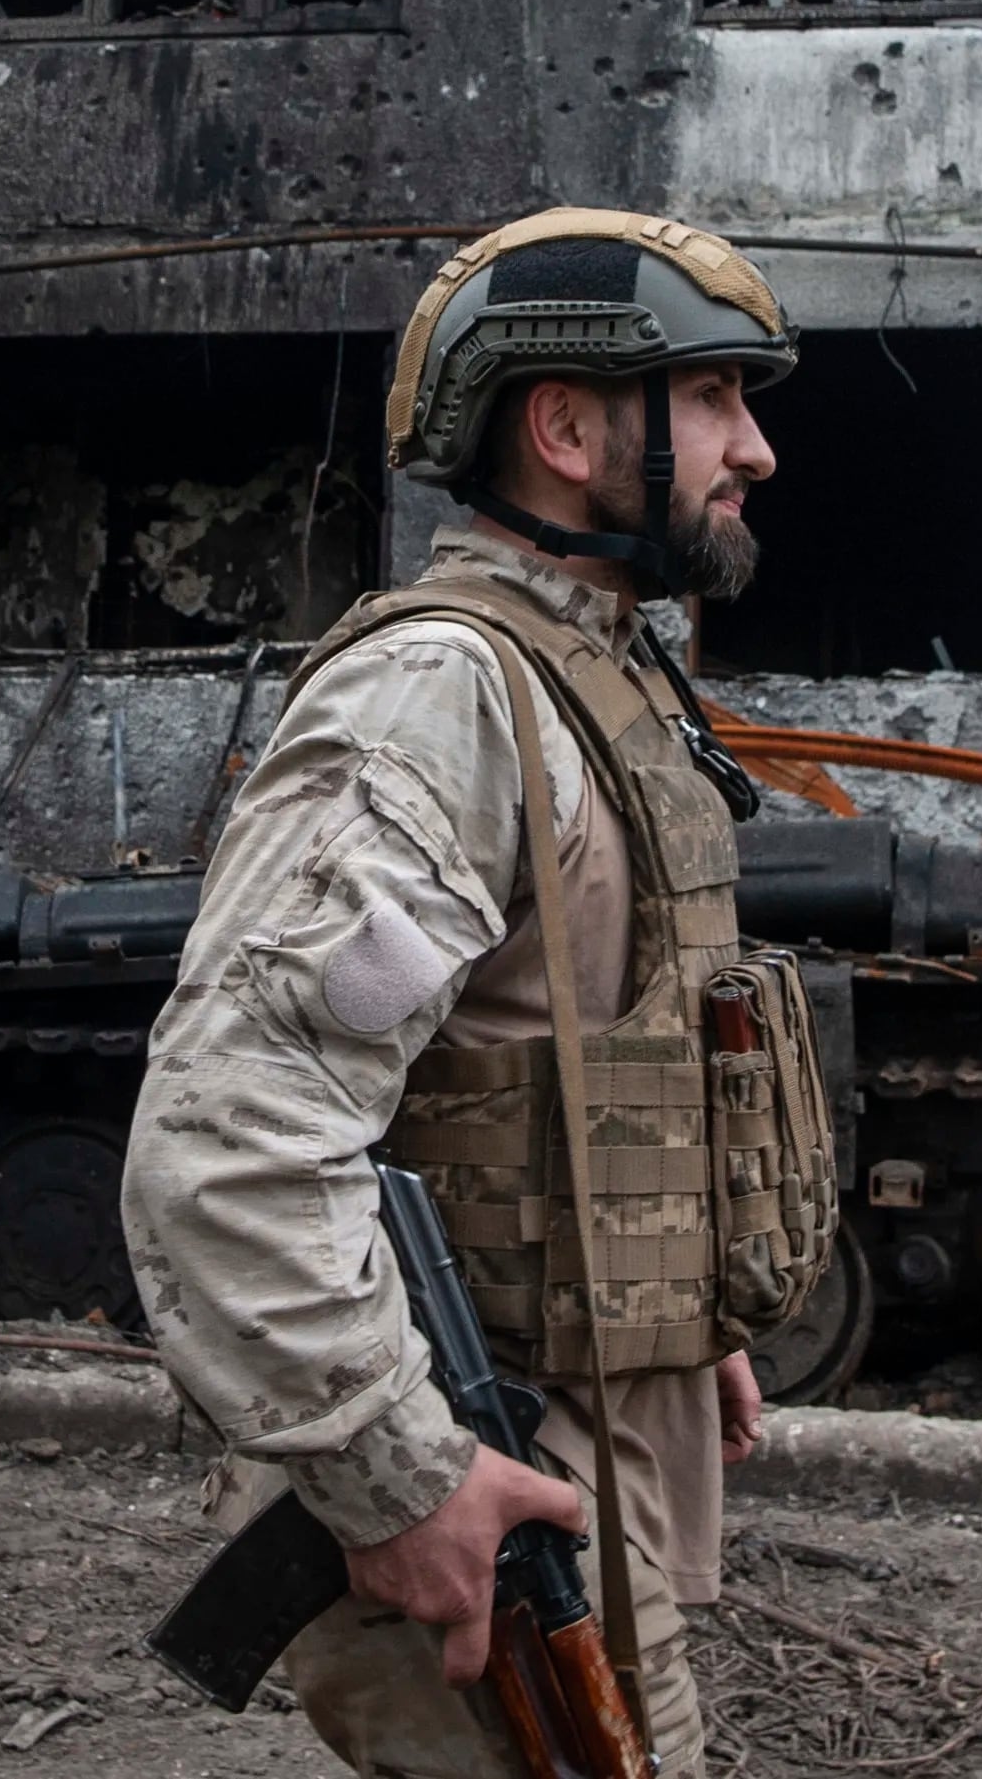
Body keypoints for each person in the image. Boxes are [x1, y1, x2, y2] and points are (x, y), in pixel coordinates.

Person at [122, 206, 818, 1776]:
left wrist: (670, 1292)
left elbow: (578, 1052)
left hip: (575, 1439)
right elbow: (230, 1143)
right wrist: (400, 1479)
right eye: (712, 395)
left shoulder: (602, 677)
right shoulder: (439, 697)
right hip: (472, 1468)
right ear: (567, 426)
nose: (753, 446)